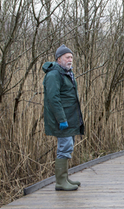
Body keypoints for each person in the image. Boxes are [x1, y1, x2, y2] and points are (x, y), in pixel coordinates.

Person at [43, 44, 84, 191]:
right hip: (62, 119)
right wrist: (61, 119)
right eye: (67, 57)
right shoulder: (54, 74)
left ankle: (65, 178)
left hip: (70, 118)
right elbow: (53, 99)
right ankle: (60, 182)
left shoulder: (66, 72)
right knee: (64, 147)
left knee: (68, 146)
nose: (70, 59)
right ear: (59, 58)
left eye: (71, 57)